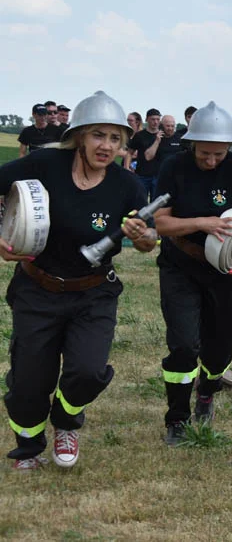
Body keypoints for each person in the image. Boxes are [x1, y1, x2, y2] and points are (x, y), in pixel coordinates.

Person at [0, 90, 156, 470]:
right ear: (80, 135)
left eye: (115, 138)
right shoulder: (46, 164)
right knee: (29, 378)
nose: (106, 146)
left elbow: (149, 241)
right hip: (37, 288)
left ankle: (67, 422)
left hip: (94, 293)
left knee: (87, 370)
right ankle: (28, 446)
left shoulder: (128, 186)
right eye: (98, 135)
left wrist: (142, 237)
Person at [154, 102, 232, 446]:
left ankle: (207, 392)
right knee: (183, 345)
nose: (211, 161)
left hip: (227, 270)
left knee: (219, 348)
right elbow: (160, 222)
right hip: (181, 264)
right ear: (192, 143)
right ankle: (177, 419)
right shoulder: (174, 167)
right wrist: (201, 223)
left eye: (219, 154)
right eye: (205, 154)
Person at [127, 108, 164, 198]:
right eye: (153, 119)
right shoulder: (140, 135)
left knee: (155, 204)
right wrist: (126, 167)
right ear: (147, 119)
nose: (155, 122)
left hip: (158, 175)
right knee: (141, 201)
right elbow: (129, 152)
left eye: (158, 119)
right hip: (142, 174)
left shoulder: (163, 135)